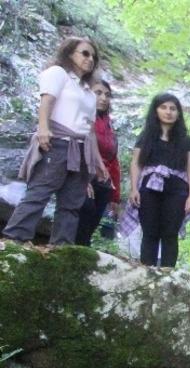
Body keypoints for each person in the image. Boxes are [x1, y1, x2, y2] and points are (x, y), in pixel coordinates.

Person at [3, 36, 106, 245]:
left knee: (71, 203)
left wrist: (98, 162)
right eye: (85, 53)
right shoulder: (58, 74)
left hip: (81, 148)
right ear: (69, 53)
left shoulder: (88, 92)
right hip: (57, 142)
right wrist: (43, 129)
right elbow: (47, 101)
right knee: (38, 193)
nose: (90, 59)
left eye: (93, 56)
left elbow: (90, 130)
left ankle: (61, 247)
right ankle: (15, 241)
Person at [129, 93, 190, 267]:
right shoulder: (145, 137)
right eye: (164, 107)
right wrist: (133, 189)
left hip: (177, 190)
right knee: (150, 232)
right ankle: (146, 272)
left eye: (173, 108)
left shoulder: (186, 140)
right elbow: (136, 164)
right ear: (156, 111)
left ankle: (168, 274)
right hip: (149, 188)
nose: (168, 112)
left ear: (178, 113)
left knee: (170, 234)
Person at [75, 80, 121, 246]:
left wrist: (115, 197)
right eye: (98, 93)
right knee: (83, 213)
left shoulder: (108, 123)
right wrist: (82, 177)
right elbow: (76, 147)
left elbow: (114, 160)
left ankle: (82, 257)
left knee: (92, 221)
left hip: (103, 181)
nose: (103, 98)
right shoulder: (80, 116)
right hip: (83, 174)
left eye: (107, 95)